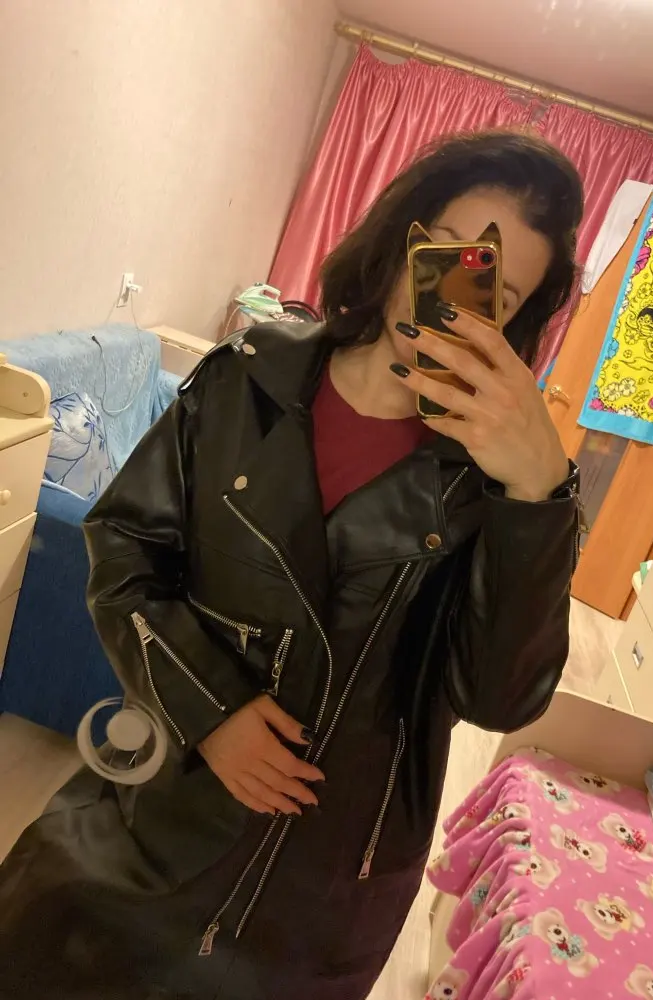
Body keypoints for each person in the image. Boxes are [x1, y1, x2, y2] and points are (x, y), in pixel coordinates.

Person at [0, 130, 584, 999]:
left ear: (514, 322)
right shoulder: (246, 379)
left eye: (492, 293)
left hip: (318, 889)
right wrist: (213, 709)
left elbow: (497, 698)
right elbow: (123, 553)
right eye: (445, 253)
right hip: (152, 812)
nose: (454, 299)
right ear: (400, 241)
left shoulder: (492, 484)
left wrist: (537, 494)